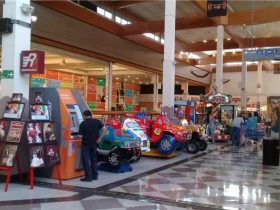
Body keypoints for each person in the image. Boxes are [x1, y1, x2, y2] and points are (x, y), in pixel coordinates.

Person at [79, 110, 107, 182]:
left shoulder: (82, 124)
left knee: (85, 160)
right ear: (91, 115)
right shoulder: (96, 121)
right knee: (93, 160)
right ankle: (95, 176)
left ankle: (88, 177)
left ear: (84, 116)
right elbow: (105, 129)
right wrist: (100, 138)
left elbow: (80, 136)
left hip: (85, 145)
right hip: (94, 144)